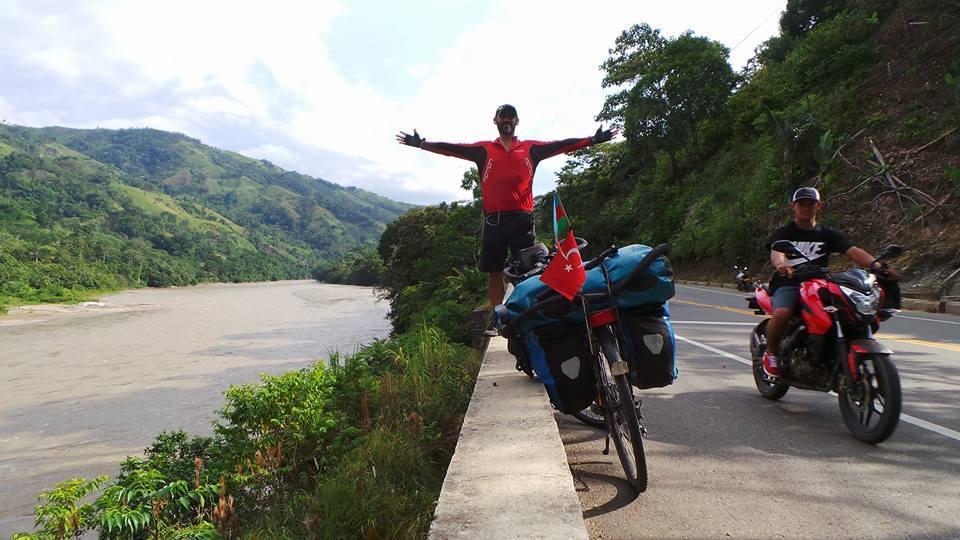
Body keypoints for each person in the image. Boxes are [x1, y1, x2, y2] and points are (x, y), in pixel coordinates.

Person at [396, 104, 617, 334]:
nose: (507, 121)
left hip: (522, 219)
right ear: (496, 121)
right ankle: (497, 320)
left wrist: (592, 140)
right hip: (494, 221)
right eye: (503, 117)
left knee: (529, 269)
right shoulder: (484, 150)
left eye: (511, 118)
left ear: (517, 121)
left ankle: (529, 314)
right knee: (494, 271)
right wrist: (422, 144)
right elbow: (453, 149)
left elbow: (561, 146)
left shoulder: (531, 148)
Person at [762, 187, 898, 379]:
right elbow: (777, 253)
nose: (806, 208)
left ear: (819, 206)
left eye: (810, 204)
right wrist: (782, 266)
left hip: (820, 284)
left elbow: (853, 252)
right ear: (793, 206)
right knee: (783, 312)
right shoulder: (784, 232)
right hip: (789, 282)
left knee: (848, 311)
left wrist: (878, 266)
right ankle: (772, 353)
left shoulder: (828, 233)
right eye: (801, 204)